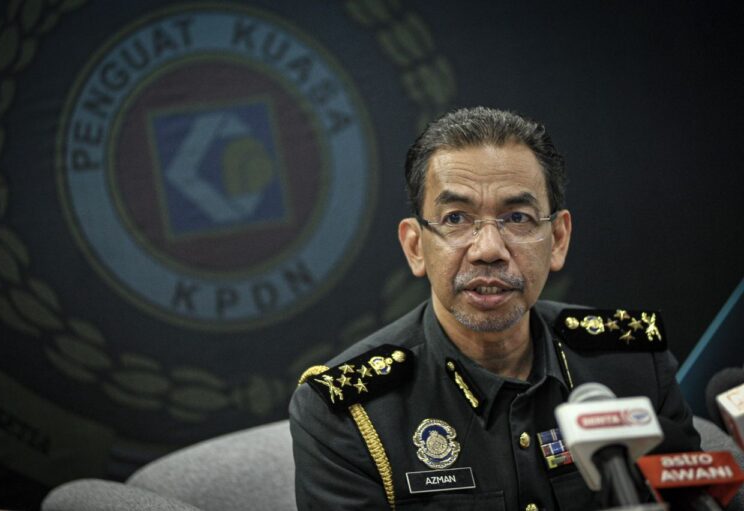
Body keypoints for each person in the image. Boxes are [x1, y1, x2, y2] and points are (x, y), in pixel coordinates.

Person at [288, 106, 699, 510]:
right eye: (455, 218)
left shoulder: (635, 367)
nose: (488, 250)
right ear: (415, 247)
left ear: (558, 239)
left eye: (517, 217)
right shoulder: (347, 412)